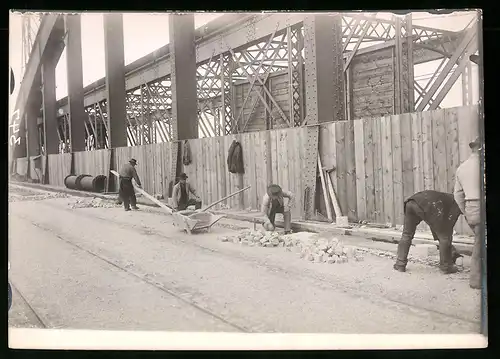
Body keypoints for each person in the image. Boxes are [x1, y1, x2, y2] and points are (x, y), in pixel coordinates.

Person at [393, 190, 463, 274]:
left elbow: (436, 224)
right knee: (445, 237)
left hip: (411, 202)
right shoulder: (457, 204)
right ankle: (446, 267)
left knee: (407, 234)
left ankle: (400, 264)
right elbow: (446, 230)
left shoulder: (447, 199)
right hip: (426, 204)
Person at [454, 136, 482, 290]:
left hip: (471, 208)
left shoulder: (462, 168)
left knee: (480, 241)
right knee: (480, 245)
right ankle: (476, 280)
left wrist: (466, 211)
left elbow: (457, 195)